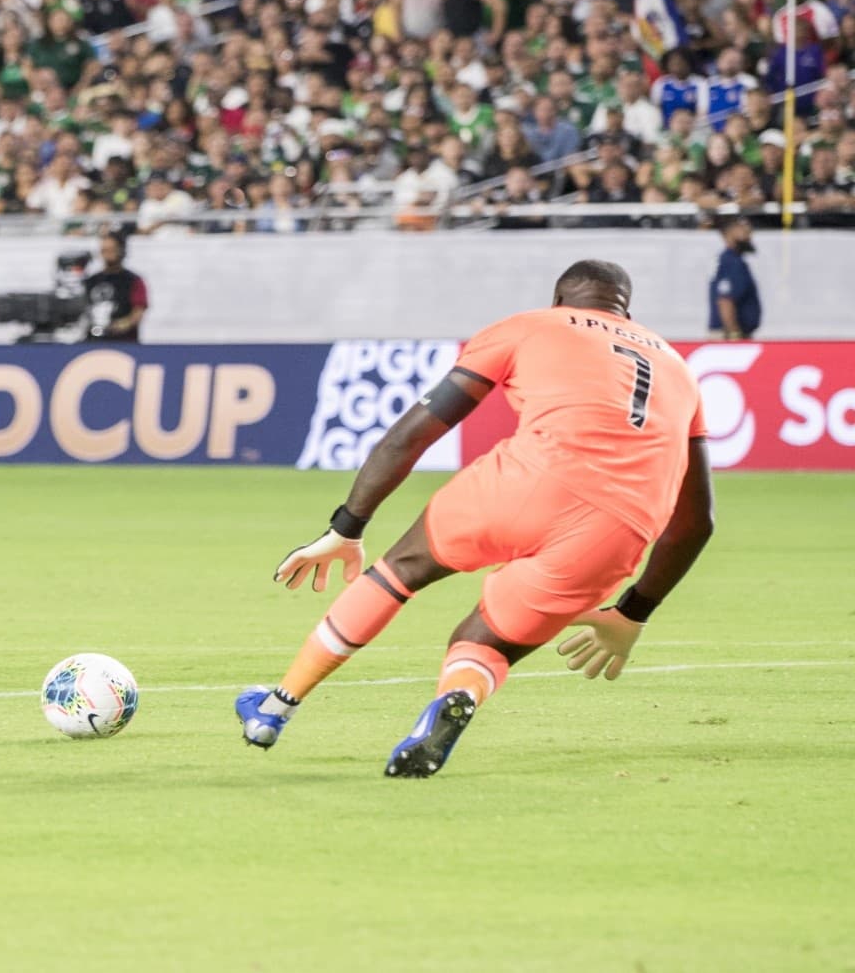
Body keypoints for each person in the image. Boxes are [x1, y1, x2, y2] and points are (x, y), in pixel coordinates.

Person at [235, 260, 714, 777]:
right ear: (628, 312)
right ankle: (457, 695)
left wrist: (347, 527)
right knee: (486, 644)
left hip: (525, 484)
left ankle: (277, 707)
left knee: (400, 572)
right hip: (616, 531)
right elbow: (696, 522)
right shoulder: (680, 371)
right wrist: (632, 613)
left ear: (559, 302)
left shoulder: (529, 326)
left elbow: (412, 433)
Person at [84, 231, 148, 342]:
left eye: (111, 250)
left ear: (121, 250)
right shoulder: (91, 281)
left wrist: (118, 326)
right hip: (92, 342)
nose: (107, 254)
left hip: (124, 342)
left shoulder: (133, 280)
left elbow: (138, 312)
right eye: (104, 250)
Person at [709, 216, 762, 340]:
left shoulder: (732, 260)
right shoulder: (731, 261)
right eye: (743, 228)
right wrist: (734, 334)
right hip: (729, 335)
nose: (749, 233)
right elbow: (725, 301)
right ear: (729, 233)